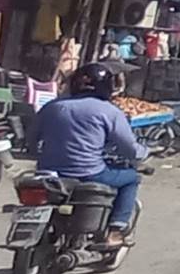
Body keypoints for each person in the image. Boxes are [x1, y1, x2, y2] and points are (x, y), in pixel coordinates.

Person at [30, 63, 146, 245]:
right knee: (132, 178)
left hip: (48, 172)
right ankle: (116, 229)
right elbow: (129, 149)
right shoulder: (109, 111)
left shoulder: (52, 107)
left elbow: (31, 139)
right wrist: (144, 153)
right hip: (90, 173)